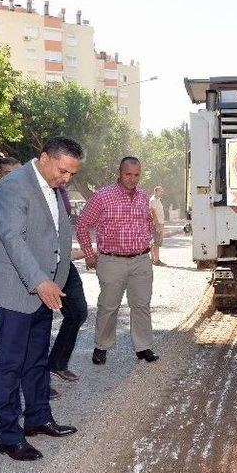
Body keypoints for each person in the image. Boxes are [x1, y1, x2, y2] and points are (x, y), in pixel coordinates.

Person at [0, 136, 84, 461]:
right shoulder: (14, 185)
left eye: (71, 174)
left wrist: (57, 277)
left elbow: (56, 234)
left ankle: (37, 418)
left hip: (43, 290)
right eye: (63, 171)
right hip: (16, 290)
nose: (66, 179)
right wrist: (40, 280)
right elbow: (13, 238)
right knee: (11, 363)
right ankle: (9, 436)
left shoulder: (53, 188)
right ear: (44, 158)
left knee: (37, 357)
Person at [76, 156, 159, 365]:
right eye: (128, 174)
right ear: (119, 173)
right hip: (111, 261)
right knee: (108, 306)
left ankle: (143, 347)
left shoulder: (143, 196)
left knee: (141, 305)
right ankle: (101, 347)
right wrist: (88, 253)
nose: (132, 179)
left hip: (141, 260)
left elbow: (147, 221)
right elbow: (82, 224)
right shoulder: (103, 196)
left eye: (136, 175)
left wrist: (148, 237)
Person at [47, 185, 88, 383]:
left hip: (63, 261)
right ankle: (35, 381)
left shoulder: (60, 190)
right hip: (40, 263)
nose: (67, 177)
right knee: (37, 323)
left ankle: (56, 363)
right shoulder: (33, 189)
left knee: (78, 312)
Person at [149, 185, 166, 266]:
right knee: (156, 242)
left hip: (159, 223)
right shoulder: (153, 200)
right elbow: (153, 213)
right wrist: (157, 225)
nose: (162, 193)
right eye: (160, 191)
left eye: (162, 191)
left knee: (154, 242)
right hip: (157, 223)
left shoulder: (157, 200)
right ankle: (157, 260)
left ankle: (152, 258)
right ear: (156, 191)